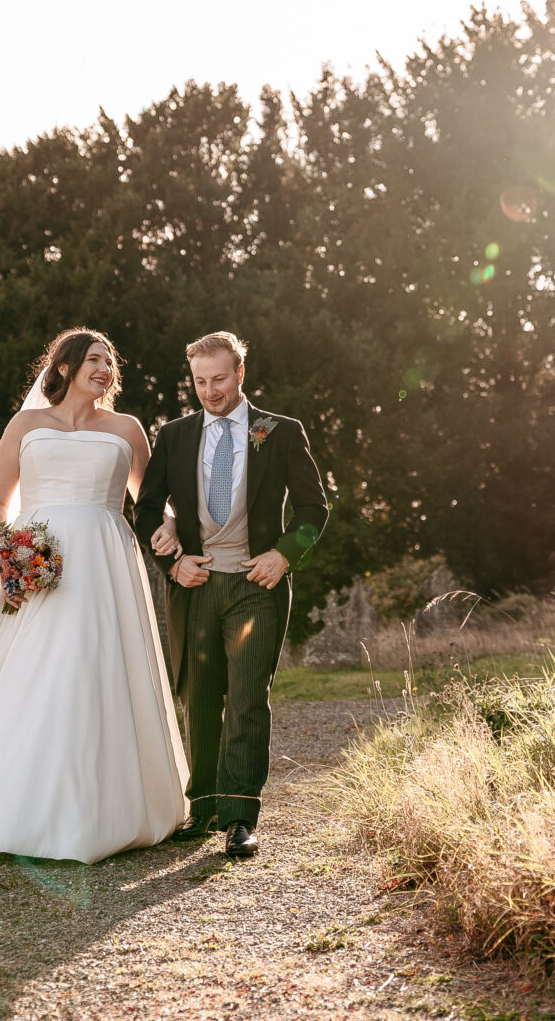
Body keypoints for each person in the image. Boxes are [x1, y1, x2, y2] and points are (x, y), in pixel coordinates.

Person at [0, 328, 189, 861]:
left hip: (103, 562)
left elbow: (147, 504)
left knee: (95, 668)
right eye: (94, 359)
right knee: (32, 671)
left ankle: (103, 808)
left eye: (109, 363)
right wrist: (13, 560)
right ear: (66, 367)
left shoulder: (127, 428)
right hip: (38, 562)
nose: (104, 369)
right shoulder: (26, 425)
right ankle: (15, 803)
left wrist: (170, 530)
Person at [136, 331, 329, 858]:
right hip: (196, 588)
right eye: (200, 381)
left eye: (219, 379)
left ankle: (240, 816)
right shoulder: (173, 436)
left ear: (240, 373)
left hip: (255, 586)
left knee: (247, 699)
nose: (210, 391)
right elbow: (146, 510)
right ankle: (202, 808)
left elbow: (315, 510)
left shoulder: (280, 432)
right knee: (198, 698)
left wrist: (285, 554)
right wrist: (172, 565)